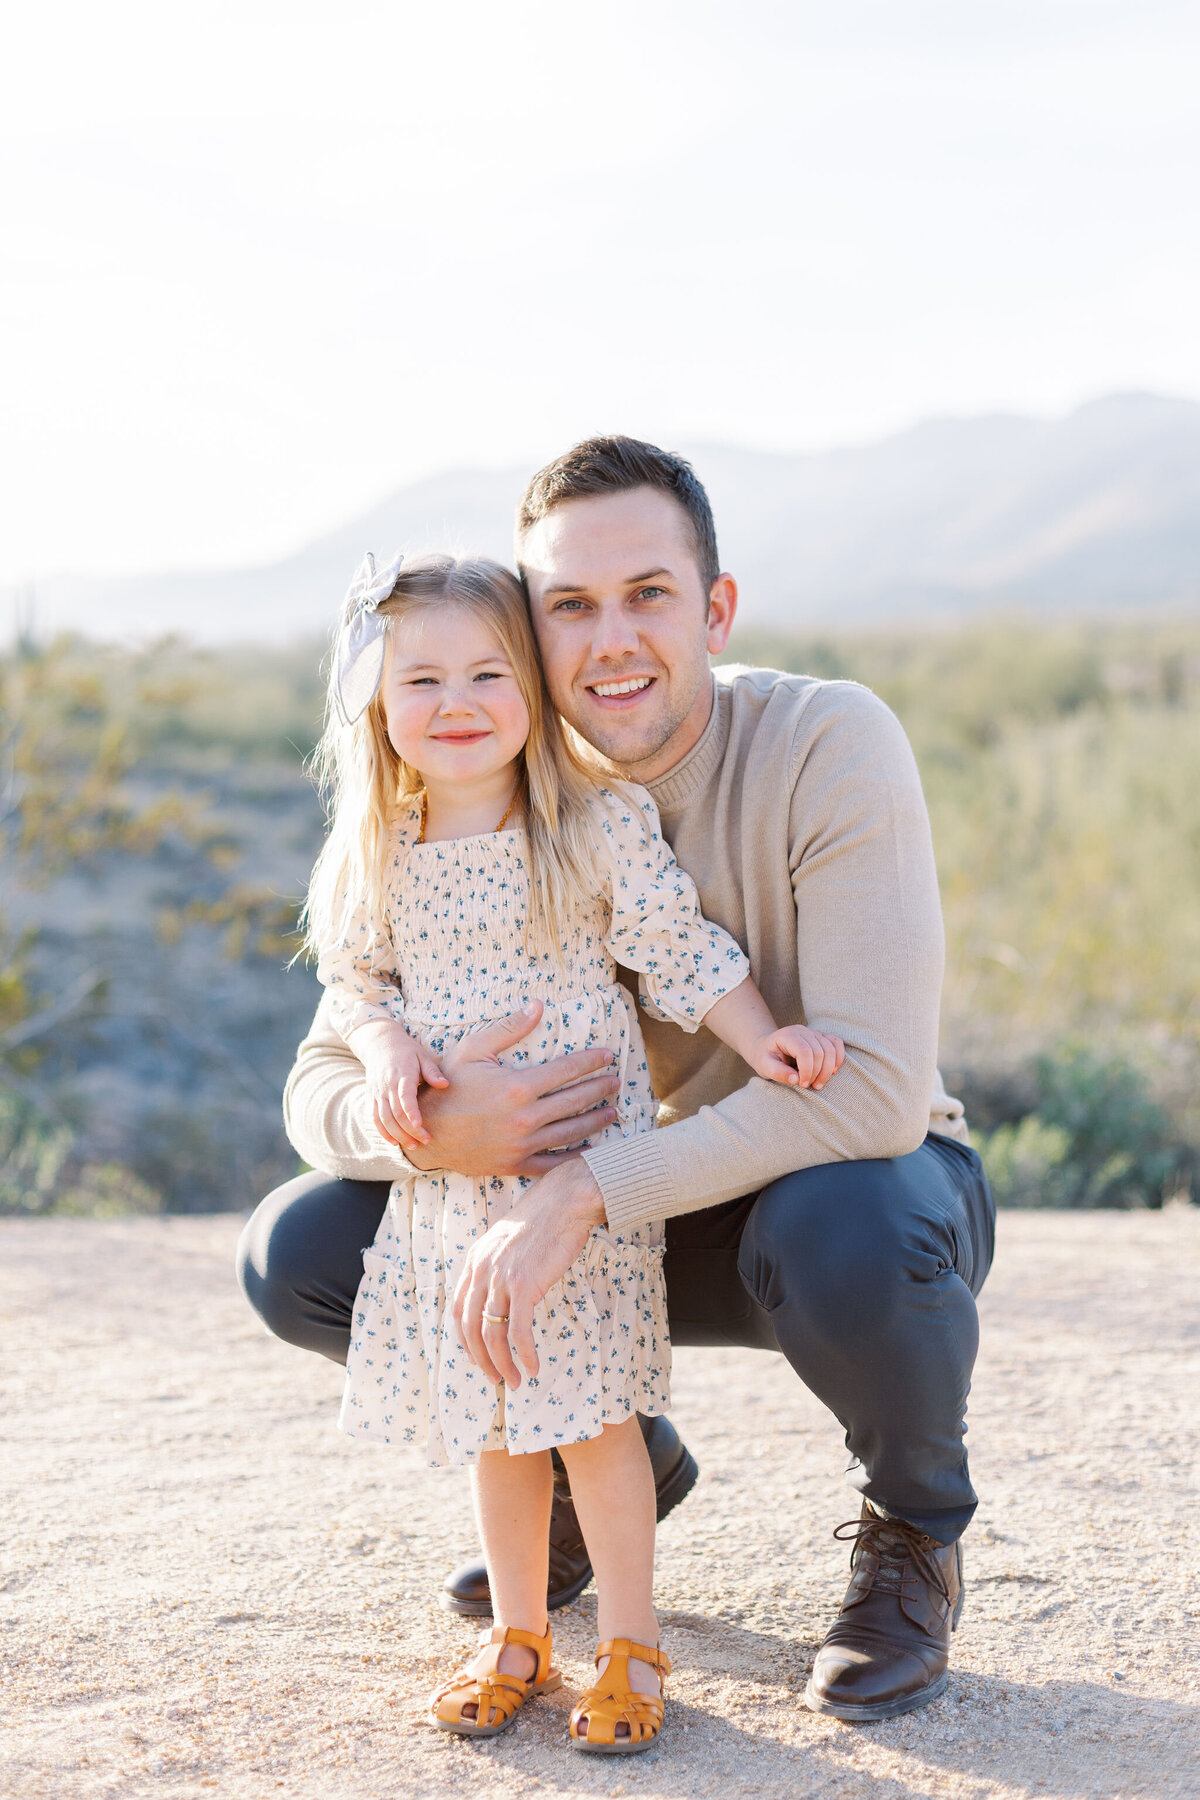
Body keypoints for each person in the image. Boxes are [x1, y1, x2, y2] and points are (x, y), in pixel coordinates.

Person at [238, 436, 995, 1726]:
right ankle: (605, 1463)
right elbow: (322, 1073)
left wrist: (583, 1188)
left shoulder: (827, 742)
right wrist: (429, 1125)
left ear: (715, 606)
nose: (611, 638)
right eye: (569, 606)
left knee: (853, 1228)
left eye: (648, 592)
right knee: (302, 1245)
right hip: (595, 1193)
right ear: (526, 632)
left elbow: (867, 1092)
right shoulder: (478, 789)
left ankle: (913, 1535)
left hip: (818, 1188)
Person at [297, 548, 843, 1750]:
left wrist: (766, 1039)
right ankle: (520, 1632)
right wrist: (387, 1051)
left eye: (489, 672)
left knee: (595, 1424)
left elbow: (680, 946)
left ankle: (633, 1643)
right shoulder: (382, 843)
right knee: (498, 1421)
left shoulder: (589, 821)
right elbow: (354, 979)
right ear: (375, 703)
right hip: (455, 1191)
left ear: (535, 689)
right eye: (421, 679)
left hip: (582, 1176)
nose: (455, 703)